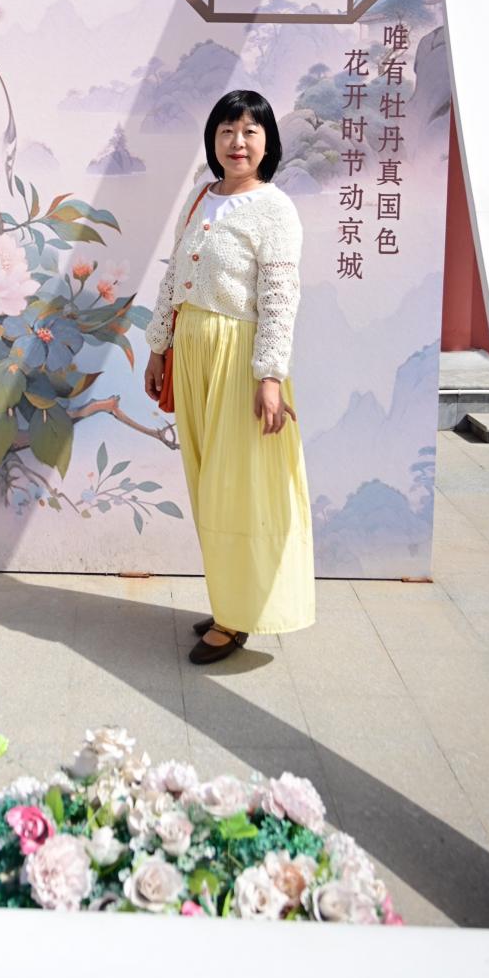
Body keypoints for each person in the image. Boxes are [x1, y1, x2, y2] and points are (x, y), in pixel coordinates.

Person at [144, 89, 316, 665]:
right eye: (226, 130)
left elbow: (279, 297)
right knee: (205, 484)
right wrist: (159, 348)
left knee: (236, 491)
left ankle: (239, 616)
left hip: (238, 358)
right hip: (192, 350)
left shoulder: (275, 209)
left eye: (249, 131)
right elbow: (173, 278)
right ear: (213, 139)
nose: (237, 142)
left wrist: (269, 376)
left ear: (267, 142)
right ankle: (228, 601)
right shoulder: (200, 195)